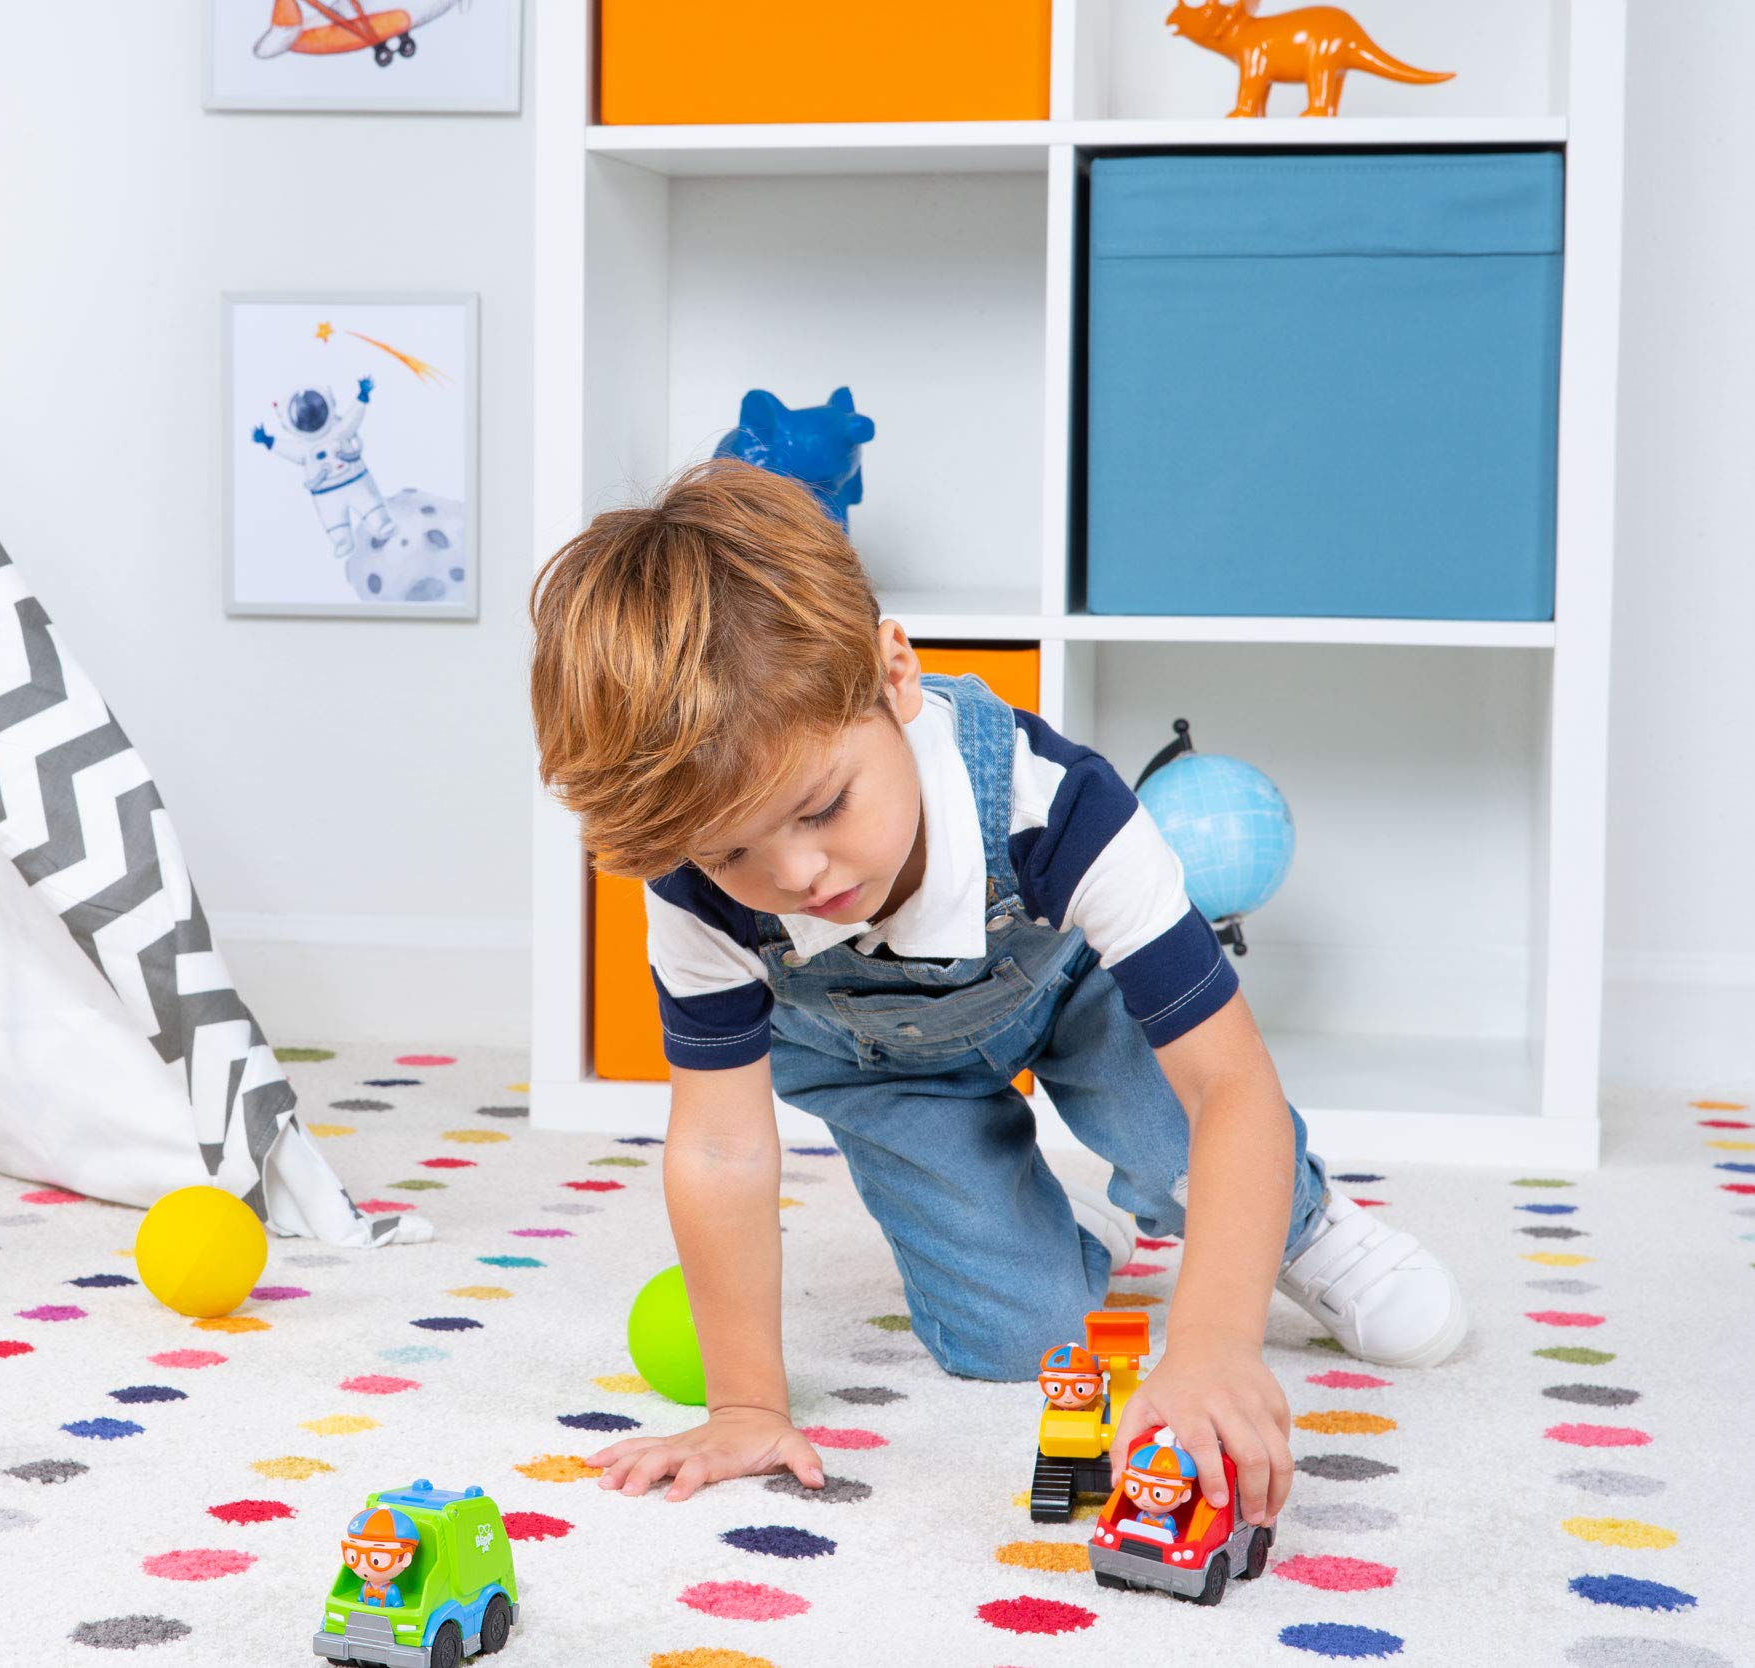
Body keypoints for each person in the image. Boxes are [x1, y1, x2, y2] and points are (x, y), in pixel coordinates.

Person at [527, 459, 1466, 1525]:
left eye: (825, 807)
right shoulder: (692, 887)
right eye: (737, 852)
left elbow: (1228, 1090)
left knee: (1183, 1158)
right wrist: (746, 1402)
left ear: (893, 673)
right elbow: (719, 1144)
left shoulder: (1056, 806)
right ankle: (1062, 1228)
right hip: (871, 1063)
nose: (798, 878)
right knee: (1010, 1342)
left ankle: (1309, 1219)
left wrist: (1211, 1347)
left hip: (1072, 994)